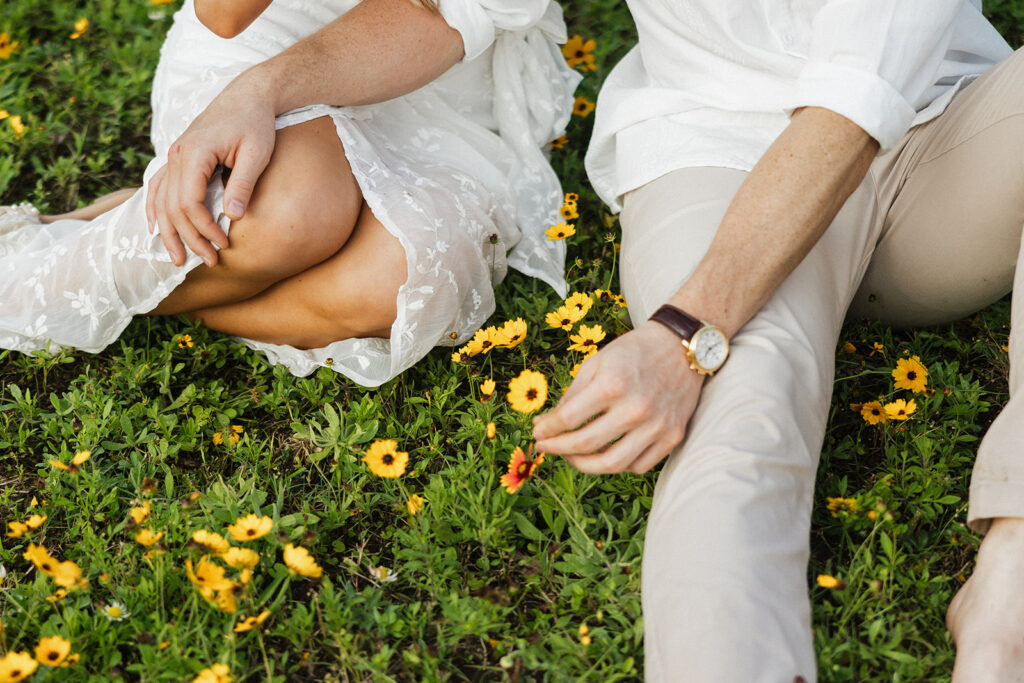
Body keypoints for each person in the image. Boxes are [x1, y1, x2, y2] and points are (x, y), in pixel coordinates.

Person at [532, 1, 1024, 680]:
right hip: (714, 146)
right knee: (743, 407)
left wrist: (686, 324)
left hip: (938, 133)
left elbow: (862, 88)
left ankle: (1012, 585)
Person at [0, 0, 580, 387]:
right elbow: (225, 13)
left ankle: (158, 277)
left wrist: (266, 90)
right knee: (286, 217)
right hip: (261, 40)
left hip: (433, 75)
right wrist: (251, 90)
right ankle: (23, 286)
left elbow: (448, 17)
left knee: (401, 283)